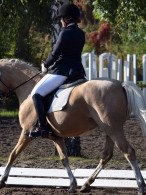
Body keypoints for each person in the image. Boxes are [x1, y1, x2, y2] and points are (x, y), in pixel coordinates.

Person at [29, 3, 86, 138]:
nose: (60, 22)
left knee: (36, 94)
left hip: (62, 71)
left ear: (66, 19)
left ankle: (43, 128)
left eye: (61, 19)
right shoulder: (81, 33)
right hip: (77, 72)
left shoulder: (65, 33)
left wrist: (45, 64)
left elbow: (55, 54)